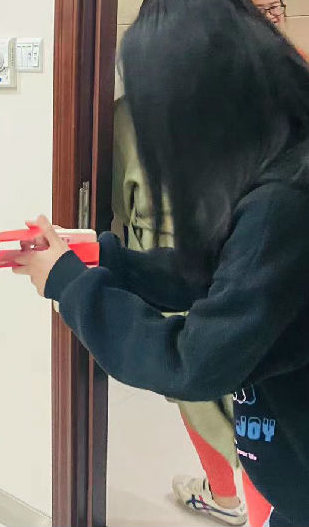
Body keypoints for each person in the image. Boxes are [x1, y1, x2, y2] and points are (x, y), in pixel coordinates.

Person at [15, 0, 309, 526]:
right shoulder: (306, 164)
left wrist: (72, 286)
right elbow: (227, 274)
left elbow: (192, 361)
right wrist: (105, 256)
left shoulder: (292, 203)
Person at [113, 98, 248, 526]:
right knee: (224, 379)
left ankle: (227, 495)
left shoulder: (129, 111)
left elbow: (120, 201)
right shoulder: (249, 92)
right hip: (229, 242)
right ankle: (234, 492)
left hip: (179, 247)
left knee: (194, 381)